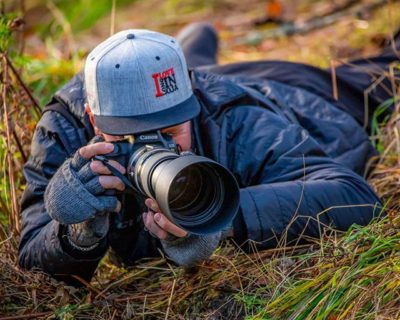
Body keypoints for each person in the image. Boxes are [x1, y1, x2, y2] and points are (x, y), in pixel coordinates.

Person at [18, 23, 399, 286]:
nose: (155, 148)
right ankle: (195, 41)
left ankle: (196, 41)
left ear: (192, 105)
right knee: (191, 61)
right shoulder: (64, 132)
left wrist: (219, 214)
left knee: (386, 72)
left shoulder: (235, 119)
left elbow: (356, 198)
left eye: (169, 132)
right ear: (92, 118)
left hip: (302, 95)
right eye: (131, 136)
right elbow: (32, 259)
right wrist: (74, 233)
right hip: (193, 76)